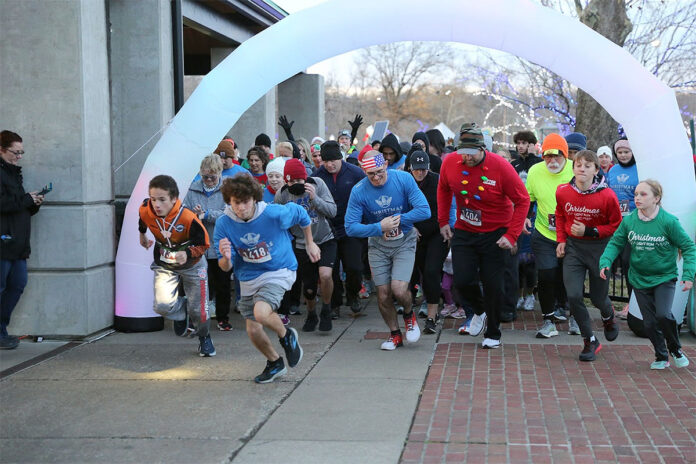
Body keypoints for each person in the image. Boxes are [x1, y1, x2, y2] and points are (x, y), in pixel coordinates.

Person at [214, 173, 320, 383]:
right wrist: (226, 257)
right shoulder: (224, 224)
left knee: (261, 313)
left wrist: (309, 243)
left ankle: (287, 335)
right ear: (229, 201)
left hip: (279, 269)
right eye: (236, 203)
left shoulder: (274, 213)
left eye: (246, 202)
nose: (242, 208)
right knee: (253, 328)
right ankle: (275, 362)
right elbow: (225, 267)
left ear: (254, 199)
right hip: (249, 276)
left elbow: (302, 214)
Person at [438, 123, 529, 349]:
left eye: (471, 153)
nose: (466, 158)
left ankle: (493, 332)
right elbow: (443, 188)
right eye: (462, 153)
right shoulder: (450, 162)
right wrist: (443, 222)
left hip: (495, 233)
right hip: (465, 230)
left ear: (482, 149)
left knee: (492, 283)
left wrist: (512, 234)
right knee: (462, 279)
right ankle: (480, 311)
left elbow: (523, 200)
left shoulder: (500, 167)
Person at [599, 179, 695, 369]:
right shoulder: (630, 220)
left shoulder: (668, 221)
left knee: (663, 314)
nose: (637, 198)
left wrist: (689, 274)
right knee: (649, 322)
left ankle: (675, 349)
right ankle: (661, 356)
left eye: (643, 194)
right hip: (639, 278)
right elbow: (616, 243)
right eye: (636, 194)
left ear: (656, 198)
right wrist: (605, 261)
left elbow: (688, 246)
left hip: (664, 277)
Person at [345, 150, 430, 350]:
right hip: (378, 245)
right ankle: (394, 334)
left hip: (404, 242)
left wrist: (398, 221)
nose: (376, 177)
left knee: (399, 289)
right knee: (382, 294)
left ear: (386, 165)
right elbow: (350, 226)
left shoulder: (403, 179)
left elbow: (424, 210)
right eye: (370, 174)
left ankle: (409, 315)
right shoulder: (359, 190)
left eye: (379, 172)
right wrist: (378, 228)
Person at [555, 150, 622, 361]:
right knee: (574, 295)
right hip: (574, 248)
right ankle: (589, 340)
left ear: (596, 170)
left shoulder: (607, 195)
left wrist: (590, 231)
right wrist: (562, 240)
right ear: (573, 168)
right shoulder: (563, 191)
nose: (582, 169)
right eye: (578, 165)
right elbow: (559, 214)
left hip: (600, 249)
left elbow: (616, 225)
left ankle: (608, 315)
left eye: (587, 165)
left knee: (597, 297)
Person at [138, 175, 215, 356]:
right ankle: (183, 313)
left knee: (201, 311)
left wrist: (186, 253)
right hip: (165, 264)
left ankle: (204, 337)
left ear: (174, 199)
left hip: (193, 265)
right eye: (153, 199)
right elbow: (142, 219)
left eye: (162, 200)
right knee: (161, 307)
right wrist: (142, 235)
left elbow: (204, 244)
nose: (157, 204)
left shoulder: (188, 218)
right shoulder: (146, 209)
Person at [275, 159, 337, 332]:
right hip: (301, 244)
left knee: (325, 275)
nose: (296, 184)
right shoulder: (283, 194)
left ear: (305, 178)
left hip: (325, 238)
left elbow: (332, 211)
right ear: (286, 180)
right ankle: (311, 313)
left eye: (299, 181)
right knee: (308, 287)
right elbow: (277, 222)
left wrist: (315, 198)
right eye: (292, 181)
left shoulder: (318, 184)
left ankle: (326, 308)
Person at [524, 133, 576, 338]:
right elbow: (527, 197)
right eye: (548, 156)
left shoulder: (576, 169)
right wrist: (526, 216)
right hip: (545, 233)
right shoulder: (535, 171)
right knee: (546, 275)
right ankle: (548, 321)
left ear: (565, 155)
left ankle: (576, 318)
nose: (552, 161)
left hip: (573, 234)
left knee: (572, 277)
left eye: (557, 156)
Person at [313, 141, 367, 317]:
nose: (329, 165)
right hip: (328, 229)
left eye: (333, 160)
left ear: (340, 158)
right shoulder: (317, 176)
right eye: (326, 161)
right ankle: (334, 303)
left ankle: (353, 295)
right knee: (332, 270)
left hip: (351, 228)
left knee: (354, 267)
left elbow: (367, 196)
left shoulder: (355, 173)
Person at [0, 131, 43, 350]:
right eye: (15, 152)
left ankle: (1, 328)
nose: (18, 156)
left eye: (21, 152)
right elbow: (4, 204)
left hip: (17, 242)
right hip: (3, 241)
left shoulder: (14, 173)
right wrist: (26, 199)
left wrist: (33, 203)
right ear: (1, 149)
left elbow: (17, 207)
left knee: (17, 284)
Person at [184, 155, 233, 331]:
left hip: (220, 244)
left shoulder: (227, 189)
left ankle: (222, 318)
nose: (210, 180)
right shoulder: (192, 190)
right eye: (205, 177)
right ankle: (195, 319)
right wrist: (194, 216)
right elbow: (184, 214)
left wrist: (206, 214)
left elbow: (229, 213)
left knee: (222, 284)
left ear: (220, 173)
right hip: (199, 246)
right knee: (197, 285)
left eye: (213, 177)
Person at [407, 151, 448, 334]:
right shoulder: (404, 181)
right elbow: (399, 206)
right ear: (410, 168)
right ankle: (410, 313)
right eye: (417, 170)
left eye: (424, 169)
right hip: (412, 233)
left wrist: (447, 225)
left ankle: (432, 315)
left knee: (432, 271)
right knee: (414, 274)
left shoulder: (437, 181)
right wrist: (409, 227)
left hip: (436, 232)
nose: (420, 173)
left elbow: (448, 203)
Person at [606, 137, 639, 318]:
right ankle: (614, 305)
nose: (623, 155)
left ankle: (634, 305)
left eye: (626, 151)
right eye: (620, 152)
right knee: (612, 262)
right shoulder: (613, 170)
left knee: (629, 264)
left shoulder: (640, 168)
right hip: (614, 223)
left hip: (635, 224)